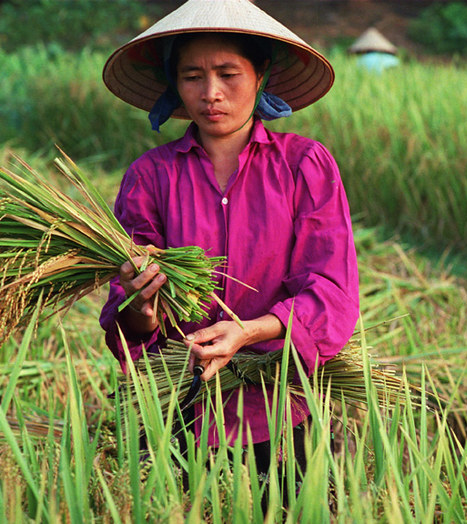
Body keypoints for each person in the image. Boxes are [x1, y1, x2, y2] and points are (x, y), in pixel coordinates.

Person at [99, 0, 359, 492]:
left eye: (228, 73)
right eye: (192, 76)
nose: (210, 93)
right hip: (181, 404)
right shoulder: (150, 177)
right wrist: (143, 304)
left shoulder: (304, 165)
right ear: (174, 83)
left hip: (278, 406)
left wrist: (248, 331)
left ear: (261, 75)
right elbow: (127, 321)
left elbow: (330, 290)